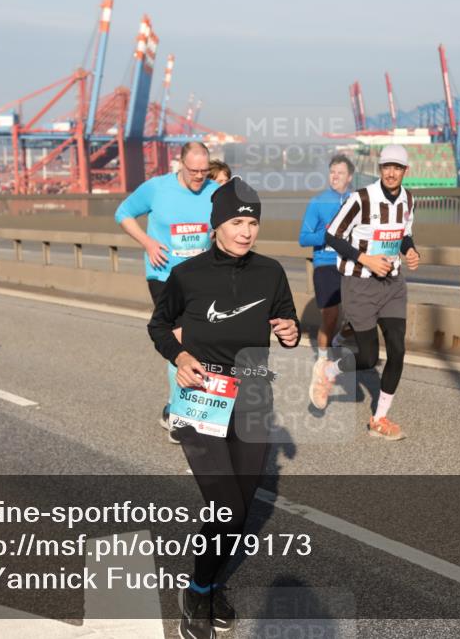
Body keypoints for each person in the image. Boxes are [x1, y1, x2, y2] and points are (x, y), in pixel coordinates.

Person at [148, 177, 299, 639]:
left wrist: (289, 334)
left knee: (240, 509)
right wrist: (181, 357)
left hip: (253, 391)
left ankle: (210, 581)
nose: (246, 231)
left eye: (252, 222)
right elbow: (158, 326)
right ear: (217, 225)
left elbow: (287, 322)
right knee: (226, 507)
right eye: (237, 221)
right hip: (201, 396)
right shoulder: (188, 275)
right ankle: (197, 591)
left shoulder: (271, 272)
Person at [312, 145, 419, 440]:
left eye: (397, 167)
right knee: (369, 358)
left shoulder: (409, 199)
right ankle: (330, 371)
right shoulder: (361, 199)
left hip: (393, 284)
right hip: (359, 284)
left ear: (405, 172)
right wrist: (366, 259)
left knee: (397, 350)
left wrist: (410, 251)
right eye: (387, 166)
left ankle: (380, 418)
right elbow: (332, 235)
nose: (392, 172)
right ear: (380, 168)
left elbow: (404, 233)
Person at [116, 142, 220, 443]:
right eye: (193, 171)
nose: (199, 177)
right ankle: (179, 417)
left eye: (204, 171)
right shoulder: (156, 188)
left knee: (200, 343)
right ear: (180, 164)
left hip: (202, 277)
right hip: (164, 275)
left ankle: (177, 406)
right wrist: (147, 243)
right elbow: (123, 213)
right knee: (180, 342)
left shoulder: (215, 191)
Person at [299, 154, 355, 408]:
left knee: (359, 313)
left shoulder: (358, 201)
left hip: (353, 265)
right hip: (325, 265)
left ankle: (338, 338)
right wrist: (329, 234)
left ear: (350, 177)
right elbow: (304, 237)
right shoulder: (318, 202)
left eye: (340, 173)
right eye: (332, 172)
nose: (335, 177)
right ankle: (322, 361)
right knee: (330, 315)